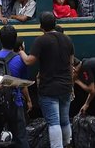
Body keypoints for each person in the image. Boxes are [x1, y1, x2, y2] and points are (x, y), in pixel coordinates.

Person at [21, 12, 74, 148]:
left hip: (49, 87)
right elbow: (71, 64)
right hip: (66, 86)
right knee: (64, 119)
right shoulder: (67, 39)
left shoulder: (41, 40)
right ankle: (67, 144)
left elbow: (29, 61)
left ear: (41, 26)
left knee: (54, 122)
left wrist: (20, 51)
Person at [0, 25, 30, 147]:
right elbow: (23, 82)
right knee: (21, 138)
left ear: (0, 40)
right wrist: (29, 101)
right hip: (15, 102)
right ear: (15, 40)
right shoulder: (20, 60)